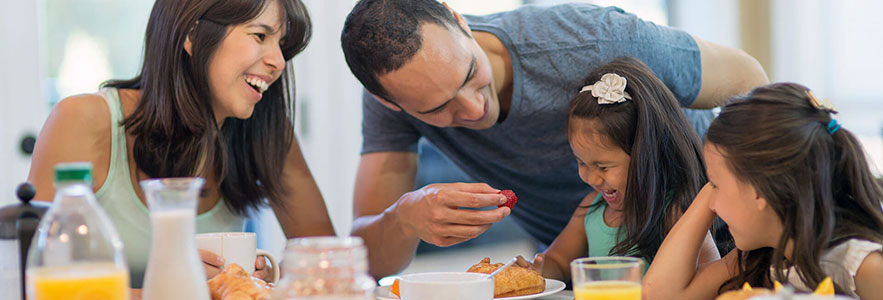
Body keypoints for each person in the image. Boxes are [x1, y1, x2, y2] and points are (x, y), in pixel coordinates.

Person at [340, 0, 768, 278]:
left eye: (470, 75)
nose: (473, 110)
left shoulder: (591, 40)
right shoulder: (388, 101)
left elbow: (750, 79)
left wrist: (720, 195)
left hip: (729, 243)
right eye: (437, 110)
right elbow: (366, 263)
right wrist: (403, 218)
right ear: (389, 102)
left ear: (460, 21)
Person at [27, 0, 335, 290]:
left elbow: (330, 266)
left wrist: (266, 280)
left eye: (282, 45)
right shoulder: (83, 119)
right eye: (259, 35)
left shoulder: (266, 132)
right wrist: (175, 290)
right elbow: (36, 283)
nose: (278, 62)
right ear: (193, 34)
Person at [644, 83, 883, 299]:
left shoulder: (864, 265)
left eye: (715, 186)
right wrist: (714, 185)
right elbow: (660, 294)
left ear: (760, 191)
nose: (712, 205)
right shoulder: (764, 256)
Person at [514, 57, 720, 283]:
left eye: (603, 166)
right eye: (581, 162)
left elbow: (711, 274)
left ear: (645, 156)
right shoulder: (592, 208)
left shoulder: (672, 213)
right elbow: (559, 261)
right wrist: (538, 271)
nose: (590, 177)